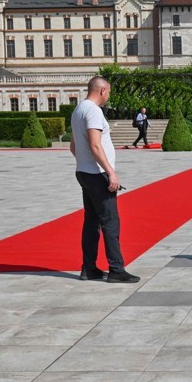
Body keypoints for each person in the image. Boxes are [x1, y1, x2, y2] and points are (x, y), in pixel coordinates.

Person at [69, 76, 139, 283]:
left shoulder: (78, 110)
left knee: (91, 221)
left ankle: (89, 268)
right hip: (97, 174)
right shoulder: (93, 111)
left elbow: (74, 146)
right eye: (108, 92)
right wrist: (110, 172)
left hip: (84, 172)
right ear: (102, 90)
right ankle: (116, 269)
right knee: (110, 222)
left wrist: (84, 164)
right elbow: (95, 144)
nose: (108, 96)